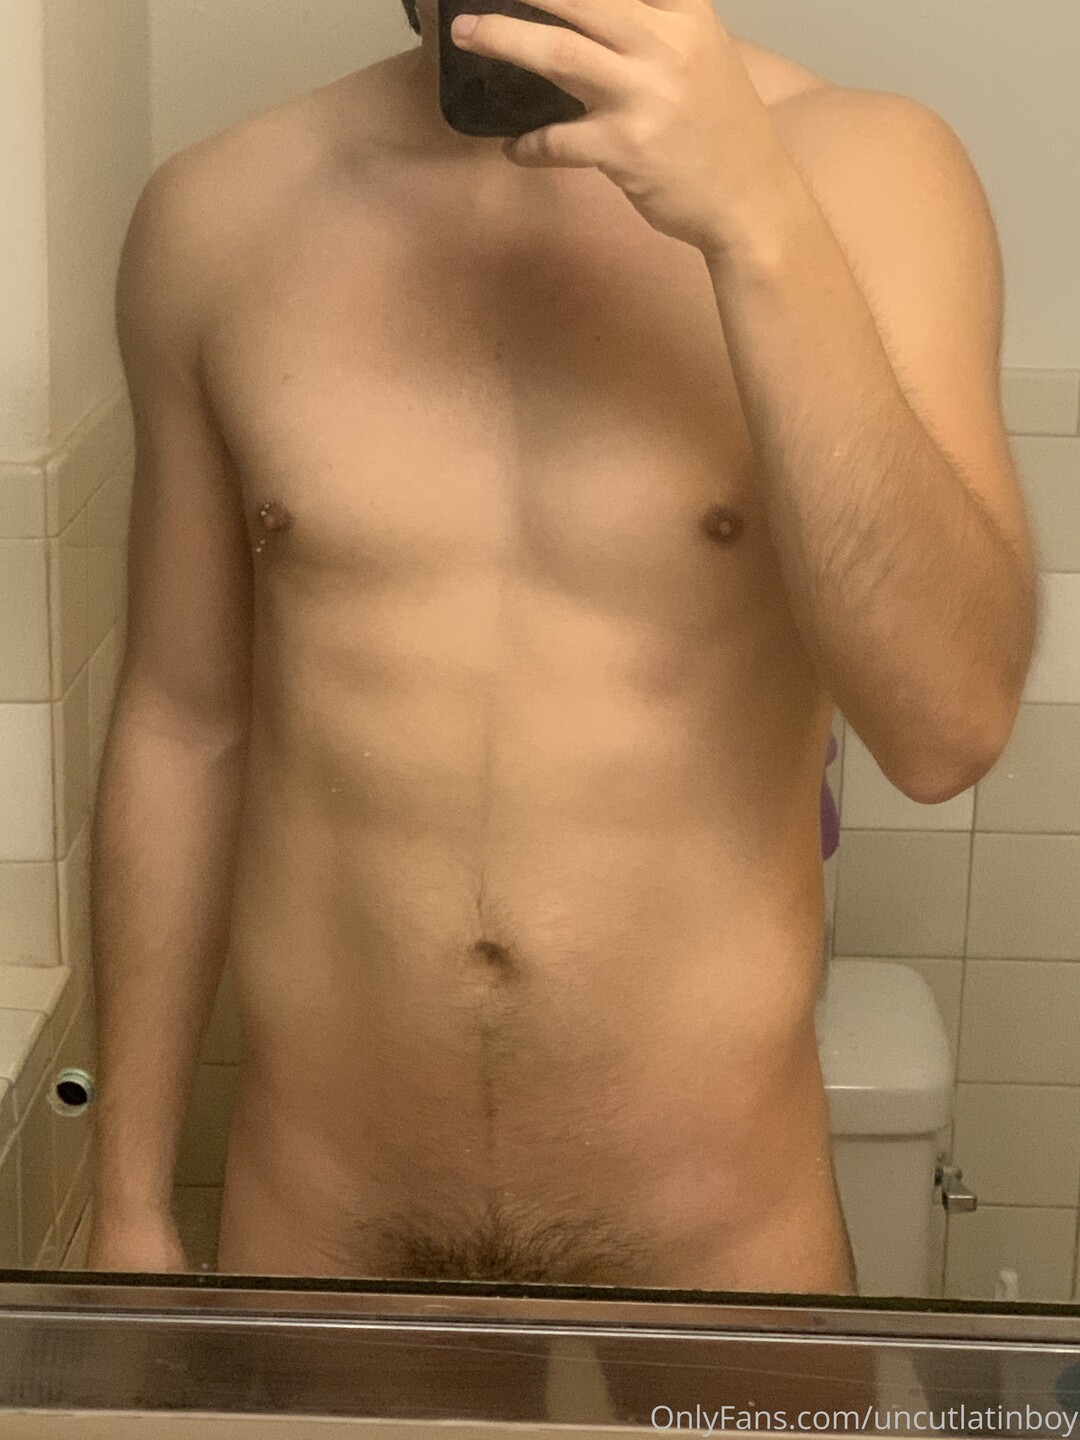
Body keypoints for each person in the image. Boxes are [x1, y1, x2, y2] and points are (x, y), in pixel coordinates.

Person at [86, 0, 1037, 1291]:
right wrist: (128, 1203)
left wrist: (757, 219)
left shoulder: (868, 173)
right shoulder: (216, 215)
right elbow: (184, 722)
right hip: (328, 1218)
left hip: (719, 1227)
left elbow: (947, 729)